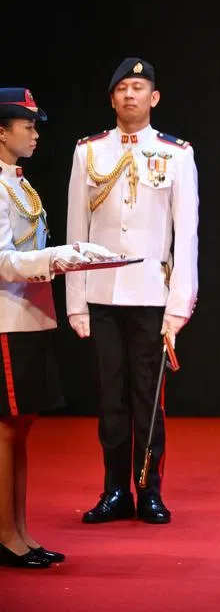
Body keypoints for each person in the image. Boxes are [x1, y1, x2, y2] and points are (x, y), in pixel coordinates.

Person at [66, 57, 199, 525]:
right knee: (111, 398)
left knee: (148, 398)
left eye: (138, 87)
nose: (130, 95)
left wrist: (179, 306)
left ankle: (149, 490)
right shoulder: (89, 151)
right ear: (111, 99)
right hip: (102, 294)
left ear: (153, 97)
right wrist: (76, 304)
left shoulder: (176, 154)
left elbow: (186, 236)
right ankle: (114, 491)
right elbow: (76, 230)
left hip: (151, 297)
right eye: (122, 88)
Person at [0, 87, 115, 569]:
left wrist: (69, 255)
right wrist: (54, 257)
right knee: (7, 430)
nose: (35, 134)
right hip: (6, 320)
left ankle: (19, 530)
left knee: (21, 428)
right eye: (27, 126)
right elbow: (3, 260)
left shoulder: (18, 182)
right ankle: (6, 535)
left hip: (29, 316)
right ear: (1, 131)